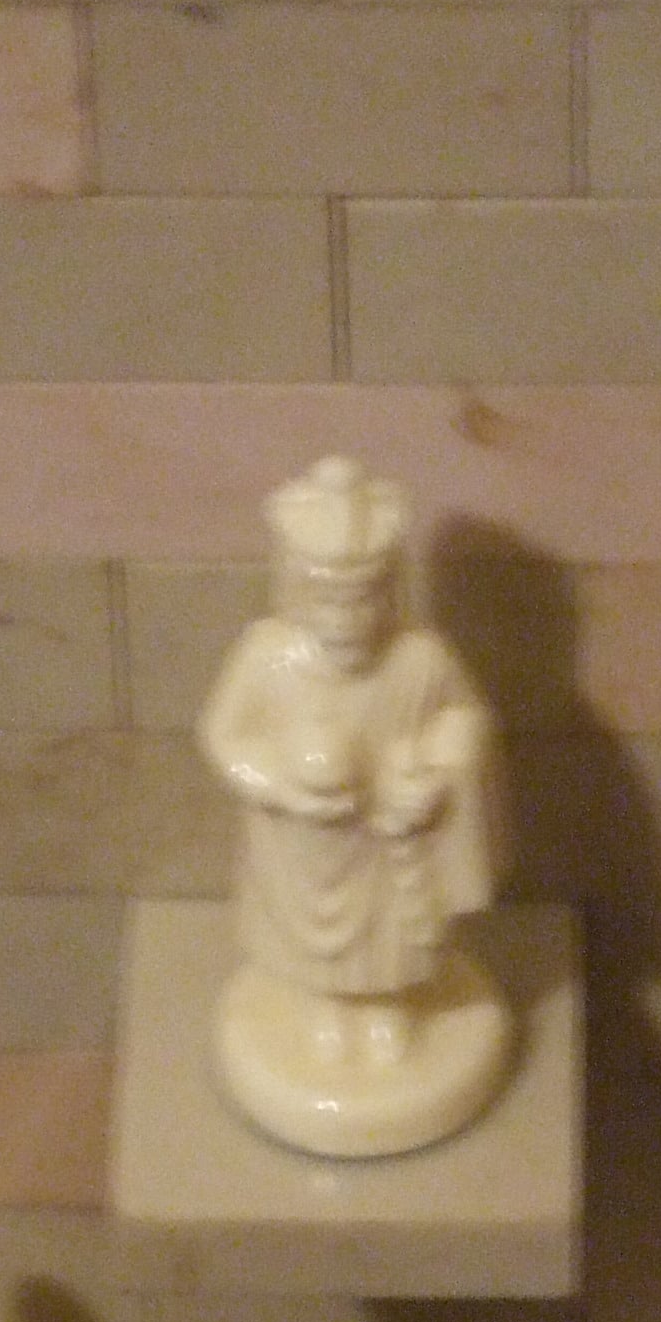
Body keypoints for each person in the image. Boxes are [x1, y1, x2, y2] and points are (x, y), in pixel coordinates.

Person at [199, 455, 504, 1073]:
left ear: (388, 592)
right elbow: (222, 733)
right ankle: (328, 1005)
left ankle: (386, 1003)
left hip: (385, 838)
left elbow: (464, 719)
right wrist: (280, 785)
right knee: (312, 938)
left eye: (362, 601)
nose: (346, 621)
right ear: (295, 591)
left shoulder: (421, 659)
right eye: (327, 602)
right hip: (299, 846)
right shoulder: (266, 657)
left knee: (388, 933)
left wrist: (434, 771)